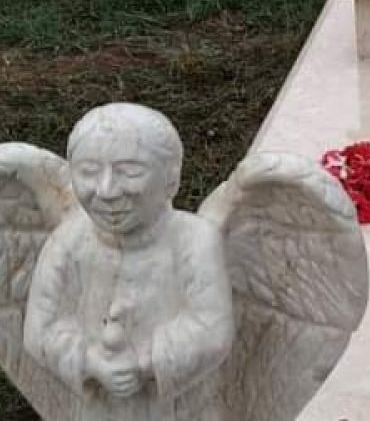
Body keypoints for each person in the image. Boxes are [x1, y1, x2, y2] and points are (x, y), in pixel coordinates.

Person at [23, 103, 235, 420]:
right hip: (99, 407)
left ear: (170, 180)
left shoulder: (194, 240)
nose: (106, 190)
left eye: (130, 172)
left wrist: (144, 363)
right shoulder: (68, 241)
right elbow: (41, 329)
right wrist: (90, 360)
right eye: (89, 172)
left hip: (180, 406)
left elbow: (211, 327)